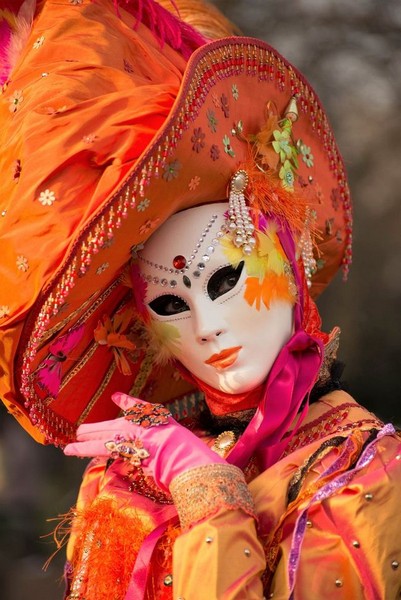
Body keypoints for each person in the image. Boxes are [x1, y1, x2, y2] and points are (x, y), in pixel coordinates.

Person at [0, 1, 400, 599]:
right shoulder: (127, 480)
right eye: (168, 305)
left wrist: (208, 490)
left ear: (289, 265)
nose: (209, 326)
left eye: (224, 281)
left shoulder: (360, 470)